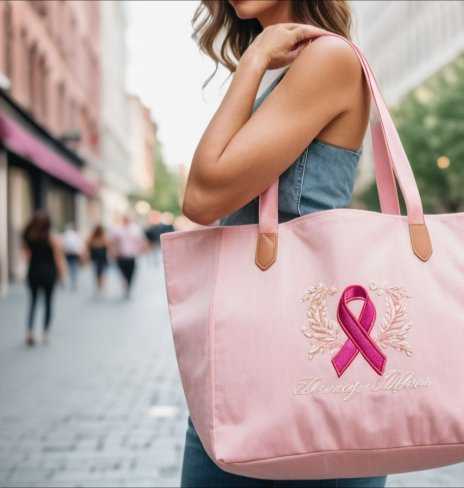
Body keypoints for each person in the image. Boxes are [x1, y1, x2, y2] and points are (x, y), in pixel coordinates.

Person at [180, 1, 380, 486]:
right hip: (255, 365)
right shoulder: (282, 65)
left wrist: (251, 63)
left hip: (305, 369)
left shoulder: (326, 59)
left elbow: (203, 197)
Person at [21, 211, 67, 346]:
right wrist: (63, 275)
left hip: (33, 273)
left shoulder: (28, 237)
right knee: (48, 303)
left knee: (33, 302)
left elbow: (25, 256)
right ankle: (45, 333)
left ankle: (29, 332)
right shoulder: (51, 238)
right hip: (49, 274)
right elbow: (58, 258)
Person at [110, 215, 146, 299]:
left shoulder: (135, 229)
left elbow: (141, 240)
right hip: (120, 255)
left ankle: (128, 286)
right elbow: (113, 241)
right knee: (122, 272)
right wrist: (113, 251)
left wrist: (141, 249)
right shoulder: (117, 229)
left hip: (131, 255)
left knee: (131, 273)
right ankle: (125, 283)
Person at [86, 225, 109, 295]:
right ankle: (100, 285)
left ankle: (100, 285)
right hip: (100, 259)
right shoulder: (101, 238)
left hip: (98, 259)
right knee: (100, 272)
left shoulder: (94, 238)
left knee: (98, 273)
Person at [62, 223, 83, 290]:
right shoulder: (75, 235)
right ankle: (74, 280)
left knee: (70, 266)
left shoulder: (66, 235)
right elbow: (79, 244)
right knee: (74, 266)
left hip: (68, 253)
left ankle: (72, 278)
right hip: (74, 253)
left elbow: (63, 245)